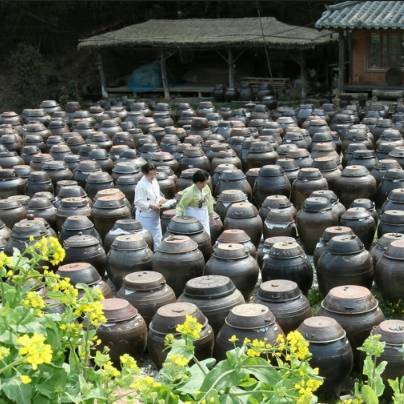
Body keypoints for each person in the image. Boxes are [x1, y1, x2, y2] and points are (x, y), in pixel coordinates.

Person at [134, 163, 165, 249]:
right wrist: (151, 206)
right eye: (151, 174)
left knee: (158, 239)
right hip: (145, 217)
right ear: (145, 173)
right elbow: (138, 202)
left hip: (155, 215)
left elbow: (156, 195)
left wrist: (161, 199)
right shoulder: (141, 185)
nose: (153, 176)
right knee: (147, 241)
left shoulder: (154, 181)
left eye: (155, 173)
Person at [176, 170, 214, 236]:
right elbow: (181, 206)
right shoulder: (190, 192)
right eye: (204, 183)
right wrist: (178, 219)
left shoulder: (206, 188)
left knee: (206, 235)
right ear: (198, 182)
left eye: (206, 182)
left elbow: (210, 201)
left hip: (204, 214)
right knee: (196, 236)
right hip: (193, 215)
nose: (205, 184)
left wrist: (211, 215)